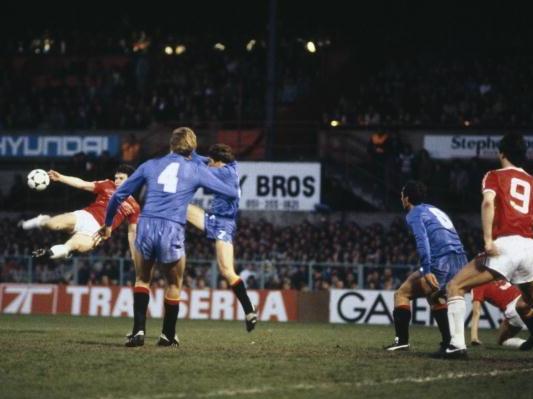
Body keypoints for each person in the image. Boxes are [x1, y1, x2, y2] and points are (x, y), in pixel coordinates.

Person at [101, 127, 239, 348]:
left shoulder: (149, 165)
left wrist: (108, 225)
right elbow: (230, 193)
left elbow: (118, 195)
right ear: (192, 147)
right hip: (171, 227)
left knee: (142, 279)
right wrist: (230, 173)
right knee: (174, 283)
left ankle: (138, 332)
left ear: (171, 145)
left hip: (146, 224)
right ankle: (167, 335)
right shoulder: (196, 168)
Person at [444, 132, 533, 359]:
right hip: (530, 247)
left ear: (501, 153)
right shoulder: (532, 181)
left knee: (455, 287)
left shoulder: (493, 175)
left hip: (506, 245)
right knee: (525, 305)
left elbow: (487, 203)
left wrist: (487, 240)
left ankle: (456, 345)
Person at [384, 180, 467, 354]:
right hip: (460, 260)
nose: (401, 199)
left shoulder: (414, 214)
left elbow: (423, 242)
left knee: (401, 294)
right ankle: (448, 343)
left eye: (401, 195)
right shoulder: (434, 209)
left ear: (407, 199)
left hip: (441, 262)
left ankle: (402, 342)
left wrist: (428, 270)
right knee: (433, 296)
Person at [188, 144, 257, 332]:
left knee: (226, 270)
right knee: (181, 206)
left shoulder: (224, 172)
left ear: (218, 162)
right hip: (214, 219)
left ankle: (249, 310)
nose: (209, 165)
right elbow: (205, 160)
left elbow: (201, 170)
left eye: (212, 163)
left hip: (224, 224)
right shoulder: (229, 166)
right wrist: (189, 152)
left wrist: (186, 159)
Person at [20, 165, 140, 260]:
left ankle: (47, 254)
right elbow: (83, 184)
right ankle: (41, 220)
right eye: (116, 178)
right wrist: (61, 177)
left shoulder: (134, 206)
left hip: (95, 232)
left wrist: (134, 254)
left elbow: (132, 232)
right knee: (51, 224)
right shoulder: (108, 184)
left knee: (71, 246)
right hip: (85, 216)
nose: (117, 181)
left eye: (121, 178)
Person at [470, 280, 528, 349]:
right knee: (504, 324)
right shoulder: (496, 275)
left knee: (502, 341)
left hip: (514, 309)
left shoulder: (477, 285)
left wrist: (474, 337)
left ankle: (527, 344)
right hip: (525, 302)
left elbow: (476, 312)